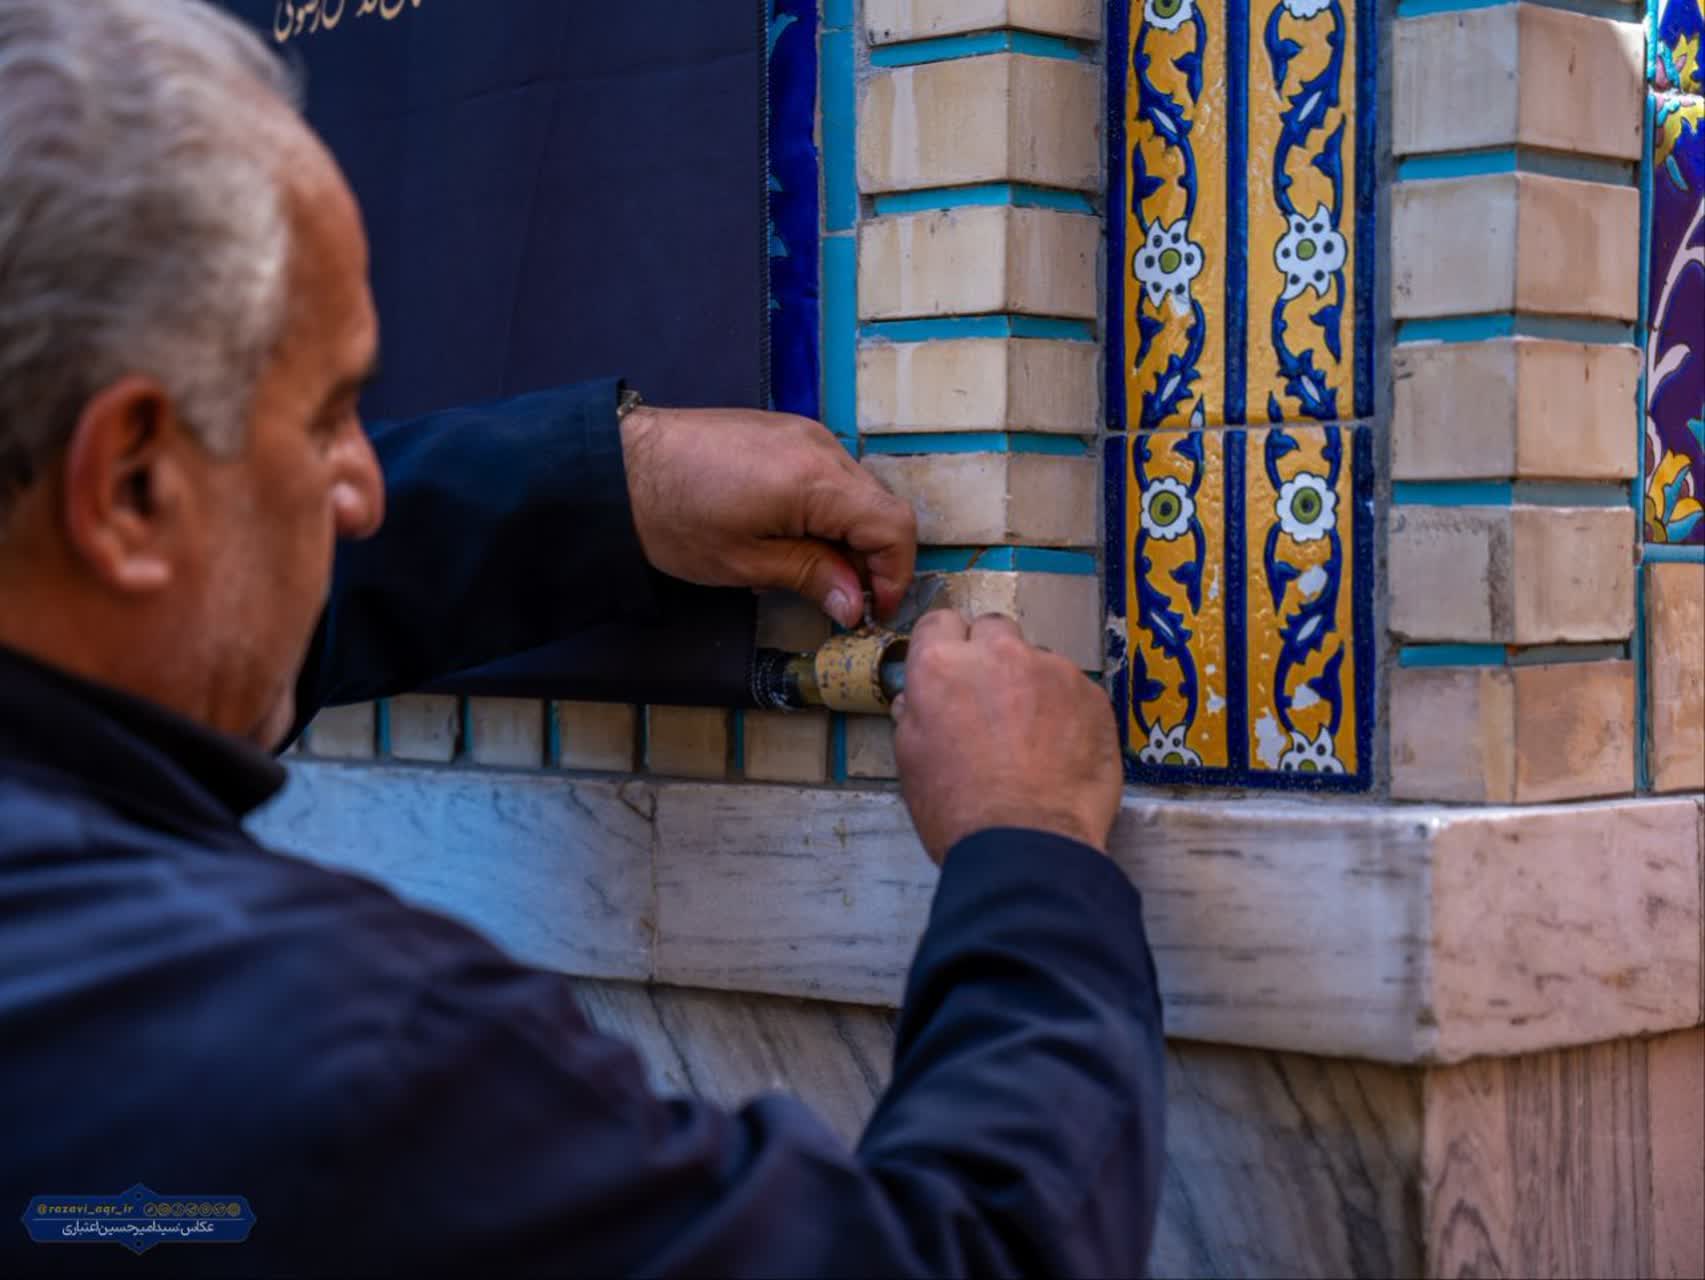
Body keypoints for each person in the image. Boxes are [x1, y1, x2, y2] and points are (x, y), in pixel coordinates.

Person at [0, 0, 1166, 1275]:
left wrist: (610, 486)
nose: (362, 488)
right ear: (124, 485)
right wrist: (1032, 856)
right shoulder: (341, 1058)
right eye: (328, 417)